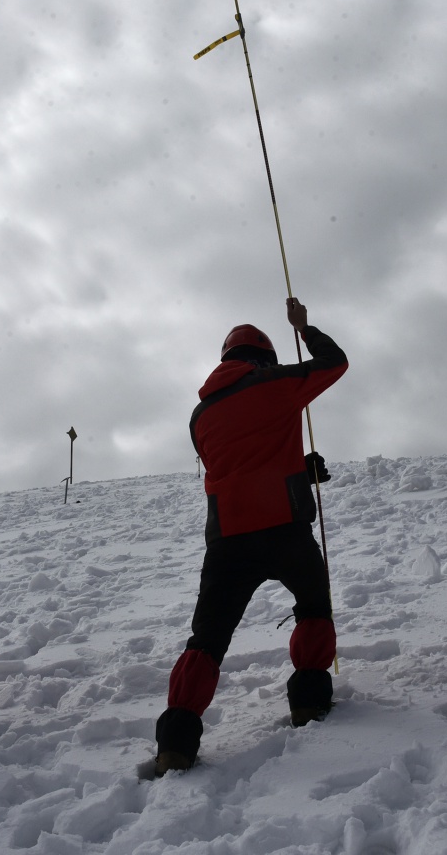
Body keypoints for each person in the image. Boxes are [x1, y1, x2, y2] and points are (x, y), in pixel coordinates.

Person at [152, 297, 347, 776]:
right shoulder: (274, 382)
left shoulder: (200, 416)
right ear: (263, 358)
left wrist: (297, 469)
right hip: (284, 529)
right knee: (313, 606)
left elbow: (241, 461)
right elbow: (334, 363)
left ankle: (176, 742)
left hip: (227, 541)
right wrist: (304, 327)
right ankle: (308, 701)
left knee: (207, 640)